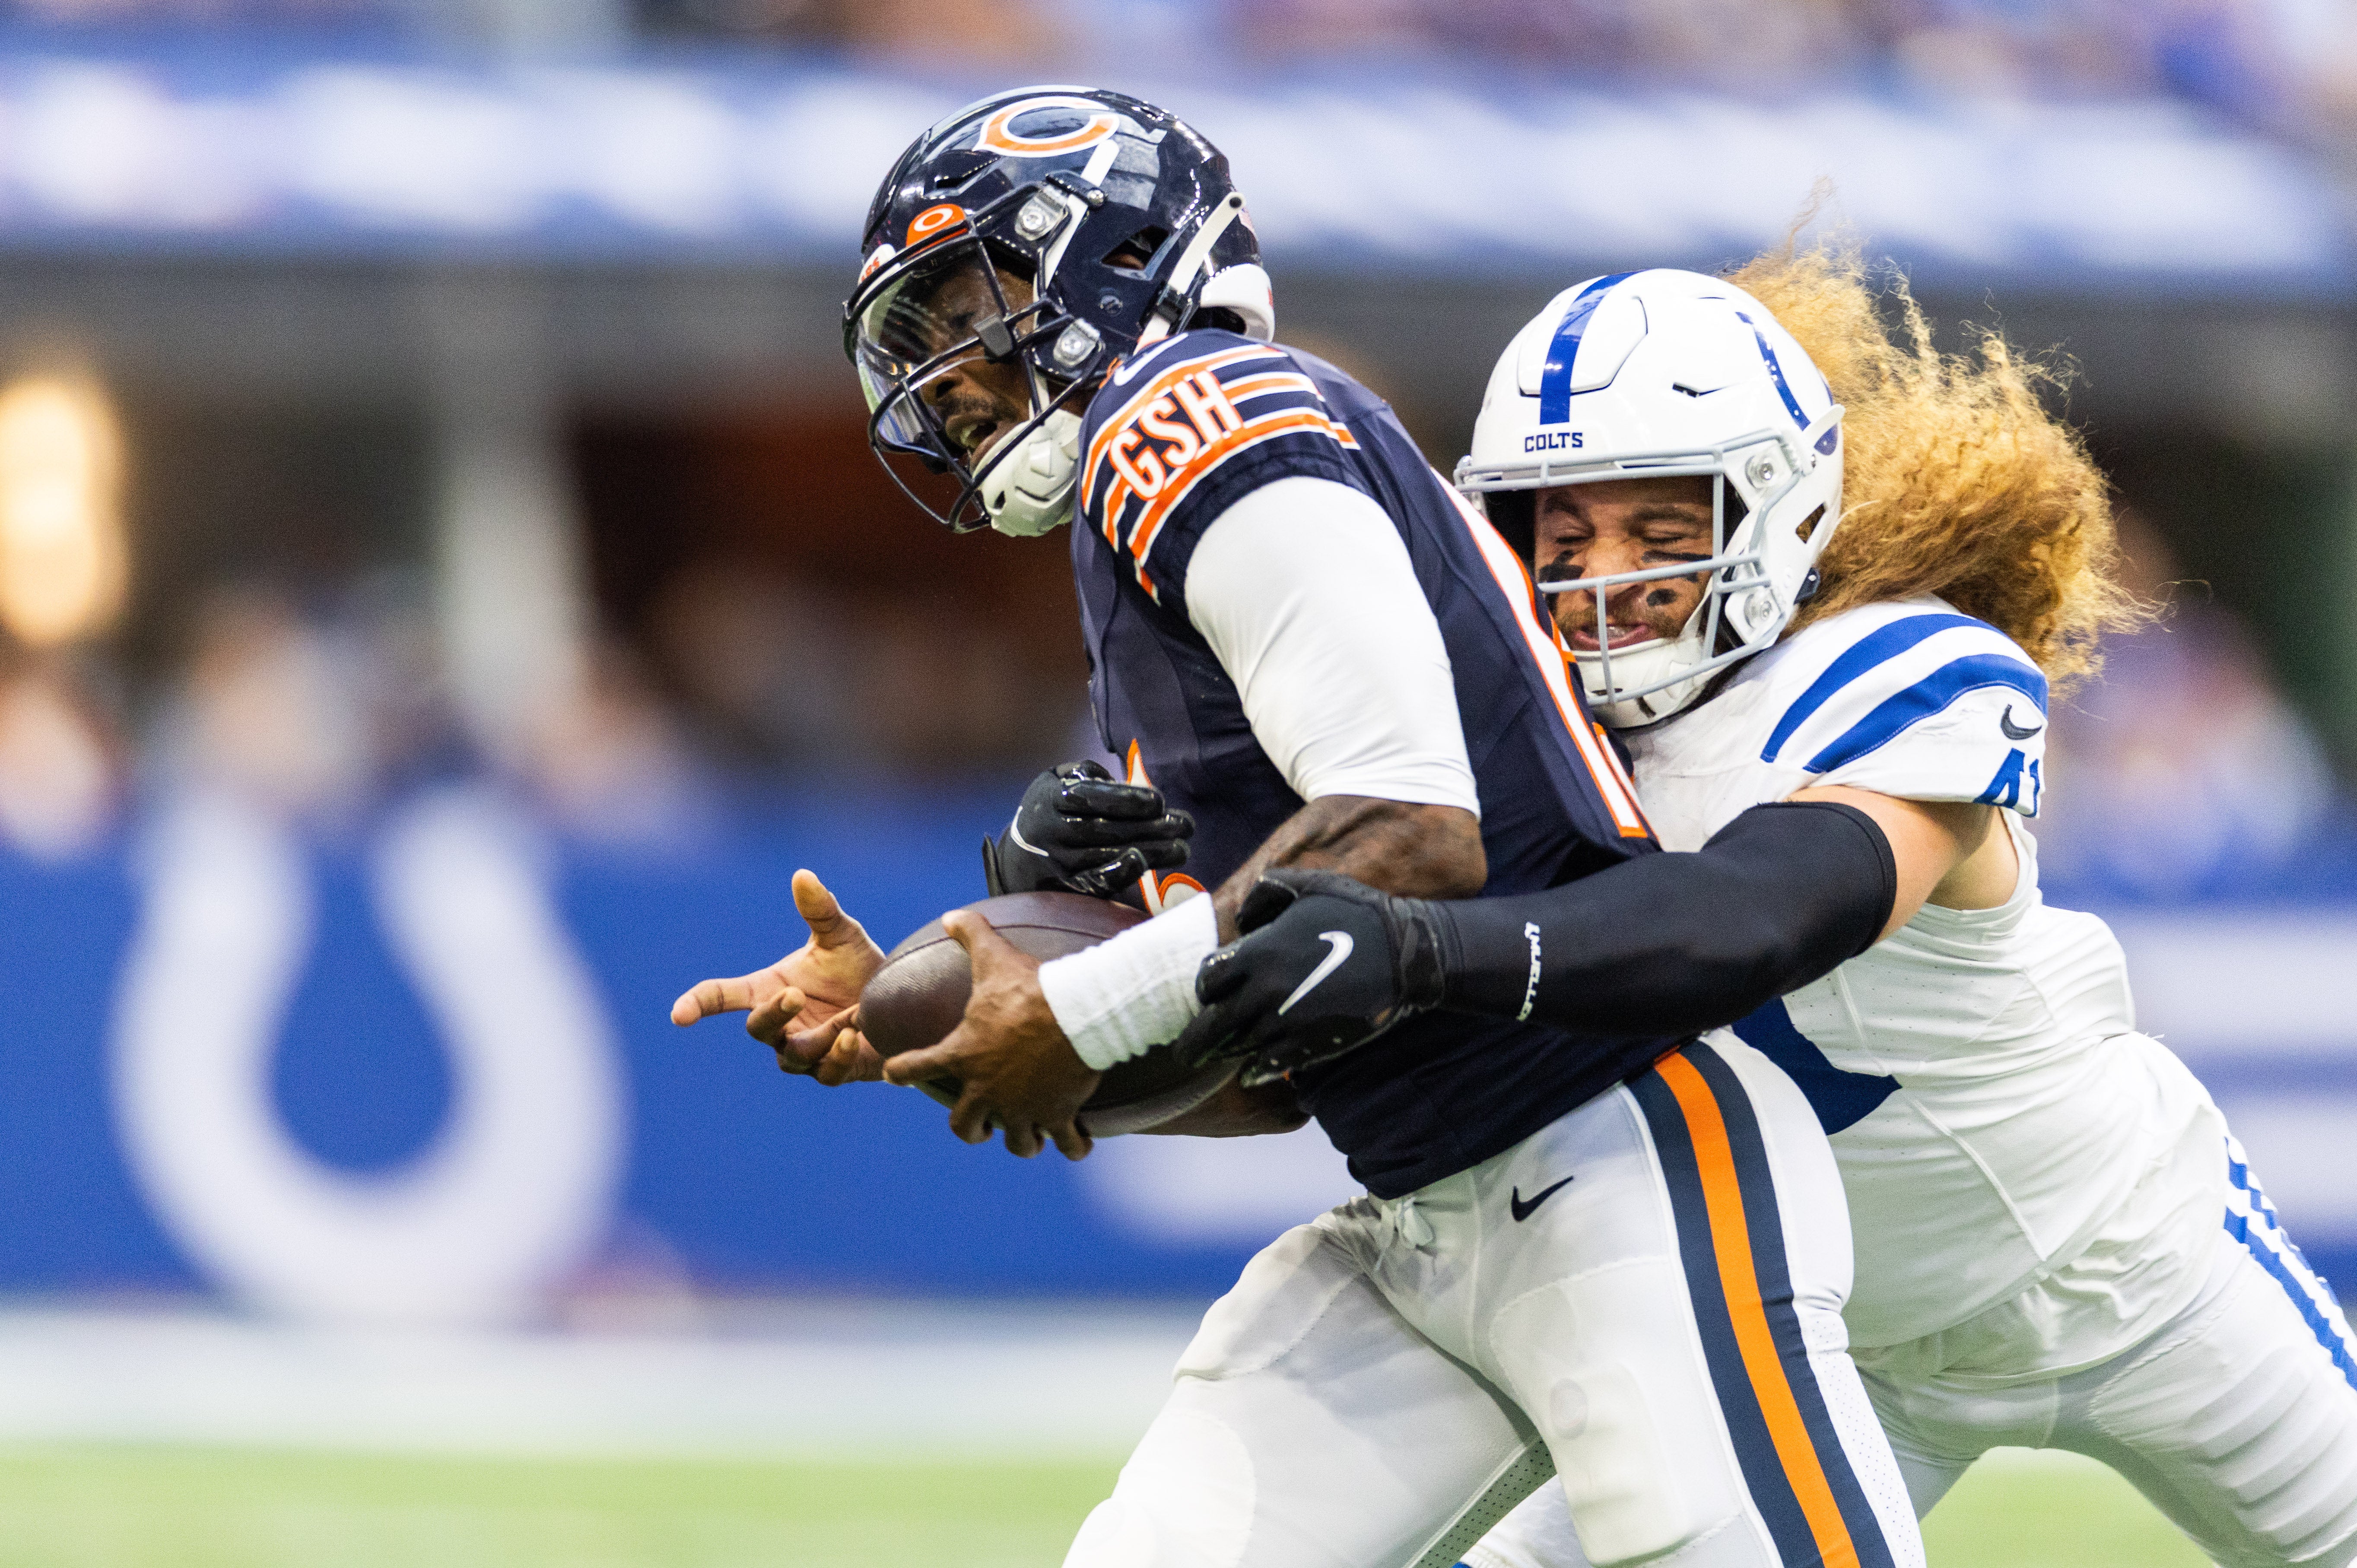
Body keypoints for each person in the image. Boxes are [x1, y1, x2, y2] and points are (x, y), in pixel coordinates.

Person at [672, 89, 1925, 1568]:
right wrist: (926, 1025)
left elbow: (1410, 829)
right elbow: (1282, 1055)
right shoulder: (1135, 511)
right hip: (1421, 1214)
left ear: (1112, 254)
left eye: (967, 300)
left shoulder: (1192, 412)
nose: (942, 376)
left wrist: (1076, 1003)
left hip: (1626, 1166)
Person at [1175, 250, 2357, 1568]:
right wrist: (1133, 864)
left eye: (1660, 530)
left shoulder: (1902, 663)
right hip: (1822, 1343)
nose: (1603, 577)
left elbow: (1759, 911)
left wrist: (1422, 948)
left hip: (2132, 1267)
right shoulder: (1507, 743)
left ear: (1780, 513)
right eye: (1560, 534)